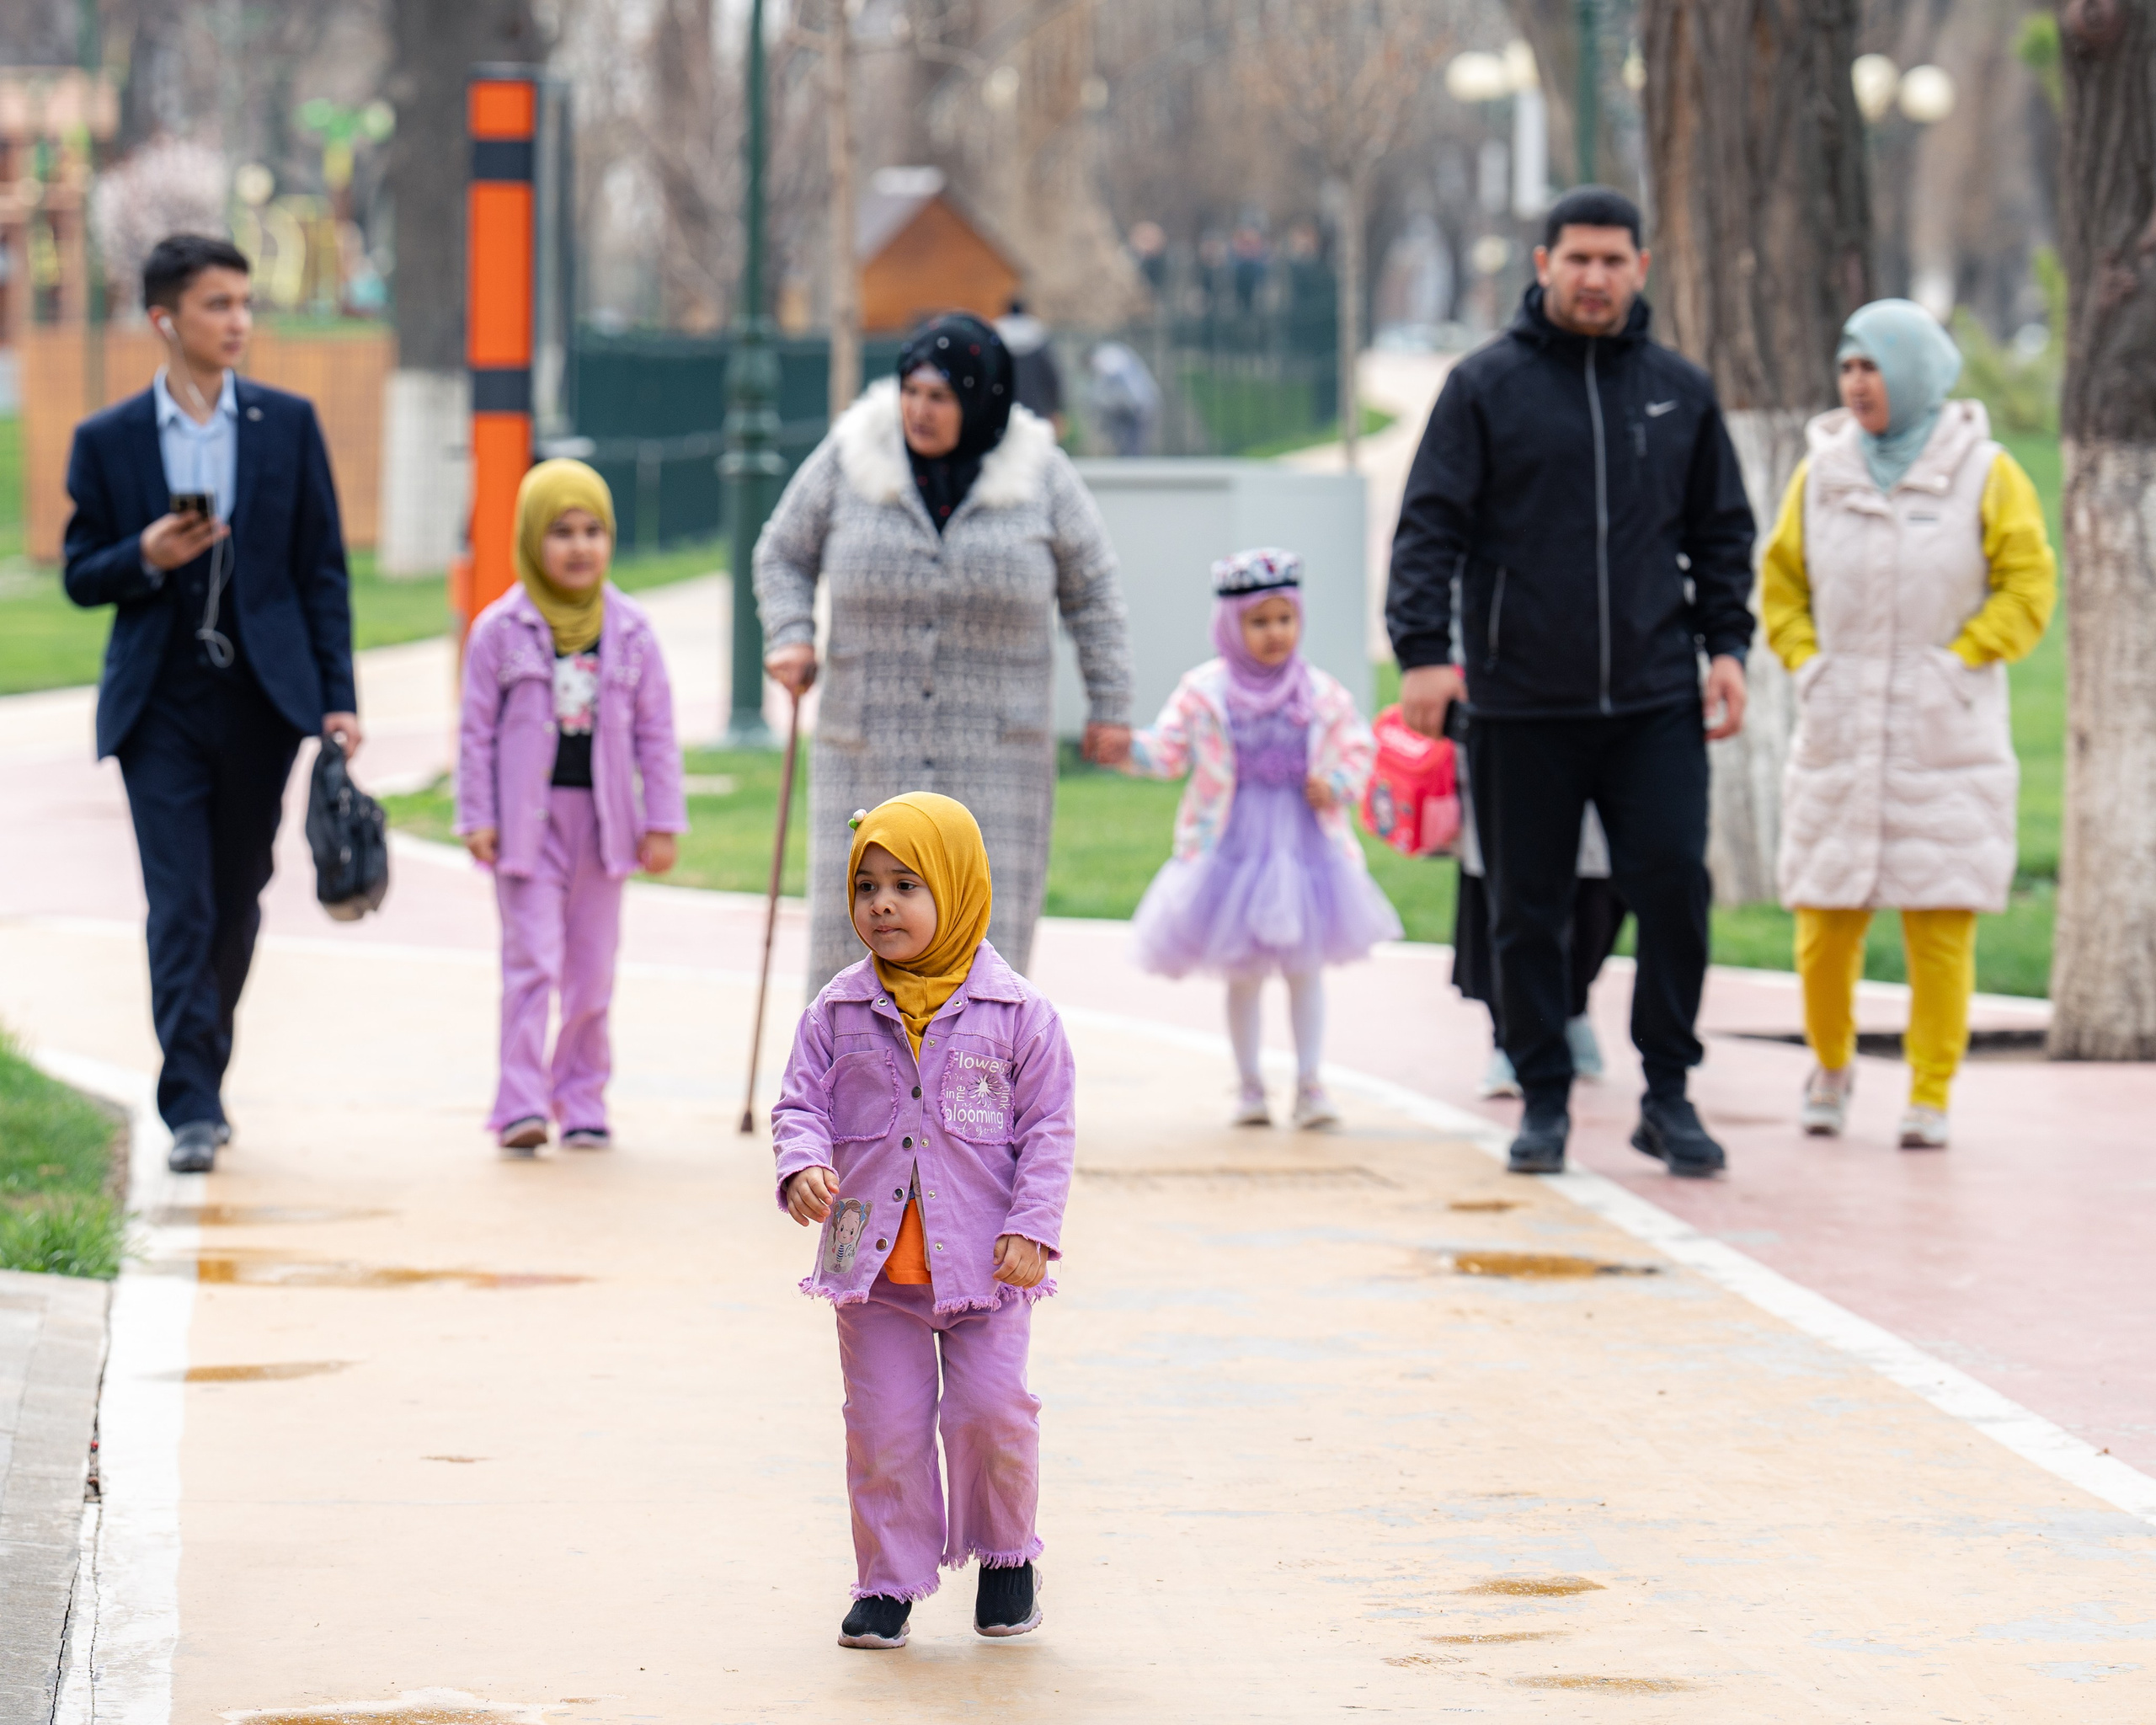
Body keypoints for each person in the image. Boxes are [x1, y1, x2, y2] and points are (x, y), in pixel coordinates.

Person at [1385, 185, 1757, 1179]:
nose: (1595, 276)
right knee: (1525, 906)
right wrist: (1423, 650)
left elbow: (1721, 532)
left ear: (1641, 266)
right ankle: (1543, 1093)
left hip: (1653, 697)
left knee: (1675, 885)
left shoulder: (1678, 388)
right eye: (1576, 258)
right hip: (1518, 698)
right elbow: (1429, 528)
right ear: (1542, 264)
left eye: (1613, 259)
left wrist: (1727, 647)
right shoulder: (1485, 386)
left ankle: (1667, 1090)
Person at [62, 233, 360, 1174]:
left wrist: (338, 700)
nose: (238, 321)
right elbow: (79, 573)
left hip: (263, 700)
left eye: (243, 302)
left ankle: (204, 1069)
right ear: (165, 319)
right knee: (179, 904)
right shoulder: (107, 440)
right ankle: (188, 1100)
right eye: (216, 305)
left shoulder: (288, 422)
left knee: (237, 899)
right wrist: (144, 556)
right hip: (159, 704)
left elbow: (322, 571)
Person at [772, 793, 1074, 1649]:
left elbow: (1049, 1128)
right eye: (866, 885)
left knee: (993, 1413)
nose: (881, 903)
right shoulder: (835, 1012)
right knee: (883, 1430)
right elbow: (799, 1101)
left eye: (907, 883)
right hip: (873, 1275)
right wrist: (801, 1160)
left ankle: (1007, 1556)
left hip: (987, 1264)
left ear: (958, 885)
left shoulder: (1020, 1016)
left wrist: (1034, 1223)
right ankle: (889, 1582)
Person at [756, 312, 1134, 995]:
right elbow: (782, 551)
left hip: (995, 761)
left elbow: (1095, 591)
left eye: (941, 397)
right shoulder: (851, 456)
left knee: (983, 955)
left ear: (980, 399)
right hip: (867, 756)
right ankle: (848, 1098)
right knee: (857, 949)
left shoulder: (1042, 474)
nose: (919, 412)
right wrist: (792, 634)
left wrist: (1111, 705)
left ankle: (975, 1100)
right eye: (911, 392)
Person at [1761, 299, 2055, 1150]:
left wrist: (1963, 656)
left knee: (1938, 924)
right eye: (1847, 366)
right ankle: (1830, 1060)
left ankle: (1930, 1088)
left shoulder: (1985, 471)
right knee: (1821, 924)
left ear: (1919, 374)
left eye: (1873, 366)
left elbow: (2028, 583)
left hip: (1943, 734)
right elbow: (1781, 581)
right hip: (1839, 730)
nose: (1856, 384)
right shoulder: (1820, 473)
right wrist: (1807, 661)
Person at [1121, 549, 1401, 1129]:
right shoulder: (1205, 692)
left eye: (1285, 619)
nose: (1275, 633)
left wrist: (1340, 783)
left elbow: (1358, 747)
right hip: (1232, 846)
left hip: (1304, 846)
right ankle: (1250, 1086)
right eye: (1259, 621)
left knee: (1306, 968)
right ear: (1231, 625)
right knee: (1241, 971)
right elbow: (1169, 749)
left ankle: (1310, 1084)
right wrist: (1124, 747)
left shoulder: (1319, 693)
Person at [455, 460, 687, 1155]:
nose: (580, 547)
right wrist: (478, 817)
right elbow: (474, 734)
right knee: (532, 962)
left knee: (591, 972)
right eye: (561, 532)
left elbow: (657, 732)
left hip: (606, 827)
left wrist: (664, 821)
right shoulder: (500, 631)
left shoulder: (633, 631)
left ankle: (582, 1097)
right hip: (528, 828)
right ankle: (521, 1103)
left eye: (594, 531)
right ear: (531, 539)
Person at [1451, 761, 1624, 1097]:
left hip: (1601, 730)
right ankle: (1510, 1040)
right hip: (1505, 723)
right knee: (1502, 885)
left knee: (1599, 882)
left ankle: (1571, 1005)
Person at [994, 297, 1065, 437]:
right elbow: (1052, 376)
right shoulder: (1038, 336)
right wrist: (1056, 408)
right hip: (1038, 406)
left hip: (1006, 408)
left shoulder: (997, 337)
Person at [1086, 339, 1161, 457]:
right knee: (1128, 447)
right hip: (1130, 406)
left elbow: (1113, 380)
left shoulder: (1104, 357)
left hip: (1137, 406)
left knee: (1133, 447)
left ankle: (1133, 471)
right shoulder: (1111, 353)